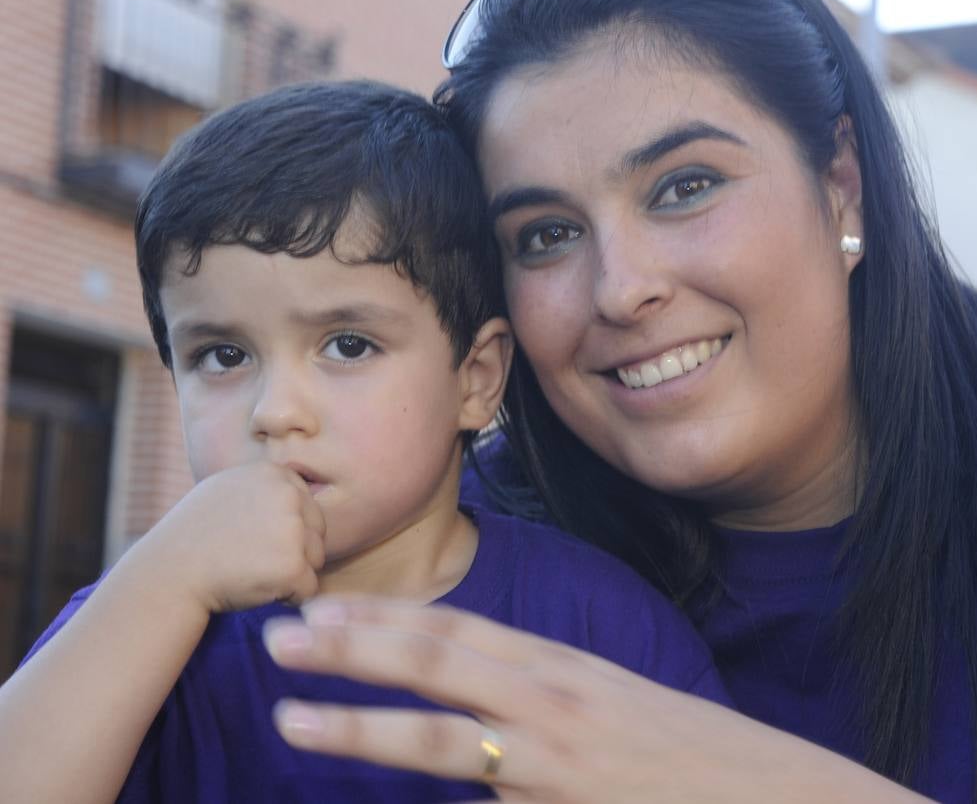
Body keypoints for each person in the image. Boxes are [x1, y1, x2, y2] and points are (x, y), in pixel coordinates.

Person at [256, 0, 977, 803]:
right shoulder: (446, 542)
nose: (620, 287)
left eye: (685, 187)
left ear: (841, 188)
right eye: (546, 235)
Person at [0, 80, 730, 804]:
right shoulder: (144, 620)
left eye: (347, 345)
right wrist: (158, 586)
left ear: (475, 379)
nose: (275, 412)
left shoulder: (596, 623)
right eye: (221, 356)